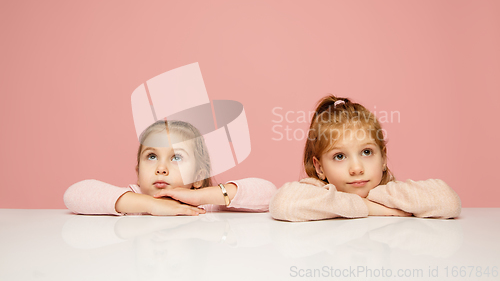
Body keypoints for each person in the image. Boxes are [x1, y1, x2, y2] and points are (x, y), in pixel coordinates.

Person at [270, 95, 461, 222]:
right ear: (319, 168)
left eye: (367, 152)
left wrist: (375, 199)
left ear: (383, 158)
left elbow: (449, 201)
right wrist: (367, 207)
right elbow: (283, 204)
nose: (356, 168)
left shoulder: (389, 193)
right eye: (339, 156)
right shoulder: (319, 191)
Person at [64, 120, 276, 216]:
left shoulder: (207, 205)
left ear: (199, 177)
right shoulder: (132, 198)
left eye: (176, 157)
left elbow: (269, 194)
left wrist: (204, 196)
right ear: (137, 173)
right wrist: (149, 204)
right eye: (152, 156)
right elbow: (74, 193)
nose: (161, 168)